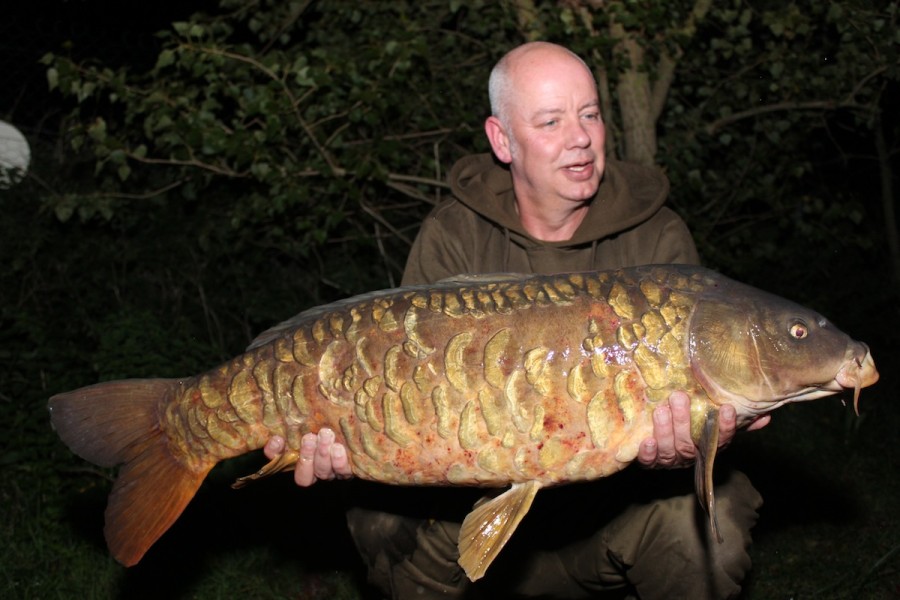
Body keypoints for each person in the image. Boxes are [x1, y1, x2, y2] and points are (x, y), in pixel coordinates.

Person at [264, 41, 769, 599]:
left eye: (591, 115)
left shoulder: (658, 238)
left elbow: (694, 408)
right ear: (502, 140)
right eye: (551, 121)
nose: (580, 137)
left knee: (710, 523)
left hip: (610, 522)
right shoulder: (454, 237)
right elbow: (395, 383)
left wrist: (684, 447)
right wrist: (353, 440)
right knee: (380, 520)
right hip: (468, 520)